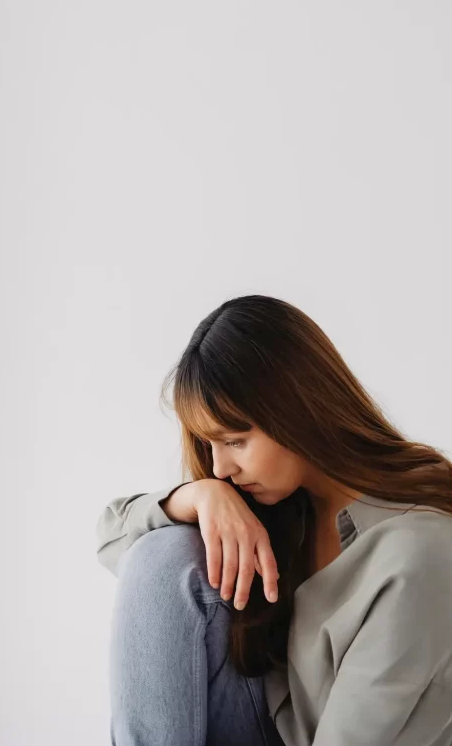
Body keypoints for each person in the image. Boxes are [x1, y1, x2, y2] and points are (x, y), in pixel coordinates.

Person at [95, 294, 452, 746]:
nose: (221, 468)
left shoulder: (418, 555)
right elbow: (113, 543)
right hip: (267, 725)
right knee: (164, 555)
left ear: (299, 409)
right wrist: (197, 496)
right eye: (210, 445)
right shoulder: (288, 505)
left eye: (236, 441)